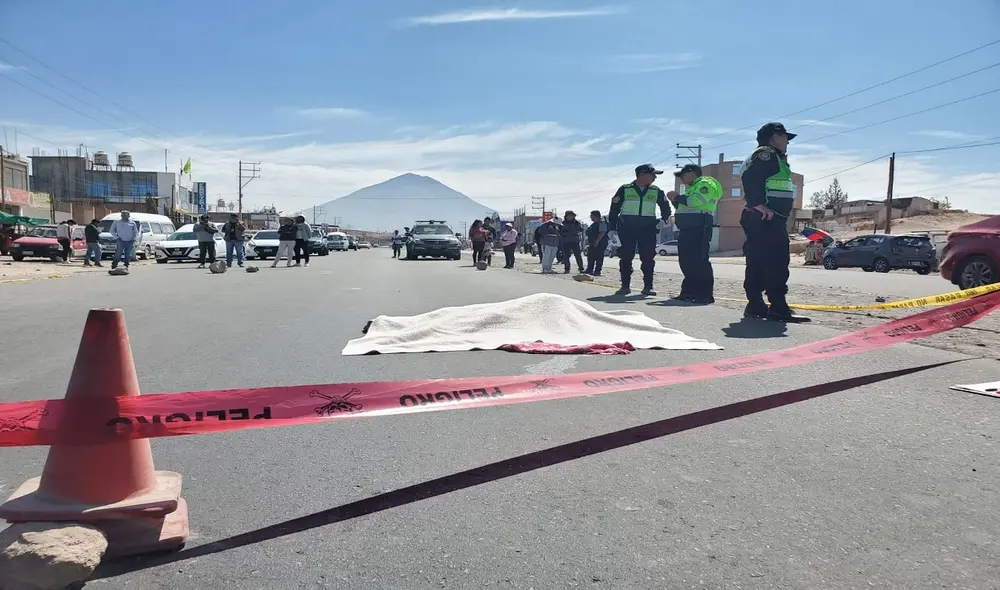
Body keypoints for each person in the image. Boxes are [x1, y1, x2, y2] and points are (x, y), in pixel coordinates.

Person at [739, 122, 809, 323]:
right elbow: (751, 177)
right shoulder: (766, 154)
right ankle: (778, 308)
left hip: (761, 217)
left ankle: (755, 305)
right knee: (776, 262)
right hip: (767, 217)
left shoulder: (766, 156)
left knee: (757, 261)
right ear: (776, 136)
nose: (788, 142)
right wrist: (758, 204)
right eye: (786, 137)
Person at [607, 164, 673, 296]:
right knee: (626, 257)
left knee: (648, 258)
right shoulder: (625, 189)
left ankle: (648, 287)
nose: (654, 177)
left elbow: (666, 208)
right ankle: (625, 286)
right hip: (627, 228)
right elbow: (614, 211)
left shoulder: (656, 190)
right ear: (642, 175)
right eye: (652, 174)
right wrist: (612, 229)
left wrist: (663, 221)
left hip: (648, 229)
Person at [669, 164, 723, 304]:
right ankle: (688, 292)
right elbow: (684, 206)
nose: (681, 179)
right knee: (687, 261)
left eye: (682, 175)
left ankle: (705, 295)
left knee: (699, 260)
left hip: (699, 226)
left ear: (692, 173)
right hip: (687, 228)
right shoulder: (691, 188)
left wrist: (676, 197)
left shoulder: (705, 184)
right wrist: (675, 201)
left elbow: (696, 201)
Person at [585, 210, 608, 276]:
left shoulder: (601, 223)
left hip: (600, 243)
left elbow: (602, 232)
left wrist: (597, 240)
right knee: (590, 257)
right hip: (592, 243)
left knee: (599, 257)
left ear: (595, 216)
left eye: (591, 216)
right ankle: (589, 270)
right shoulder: (593, 224)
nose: (590, 217)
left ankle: (597, 271)